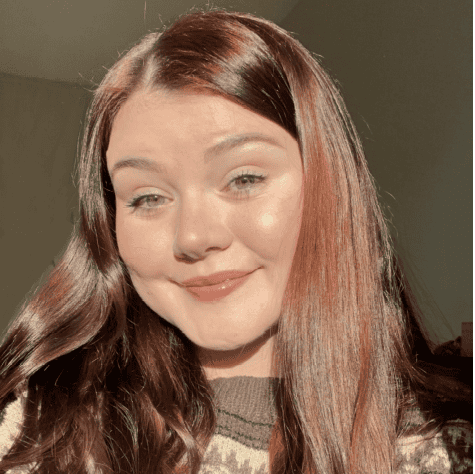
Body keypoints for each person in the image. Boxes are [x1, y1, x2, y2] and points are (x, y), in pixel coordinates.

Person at [0, 9, 471, 474]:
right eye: (147, 197)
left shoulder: (449, 446)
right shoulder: (39, 428)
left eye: (244, 178)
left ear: (328, 185)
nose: (194, 237)